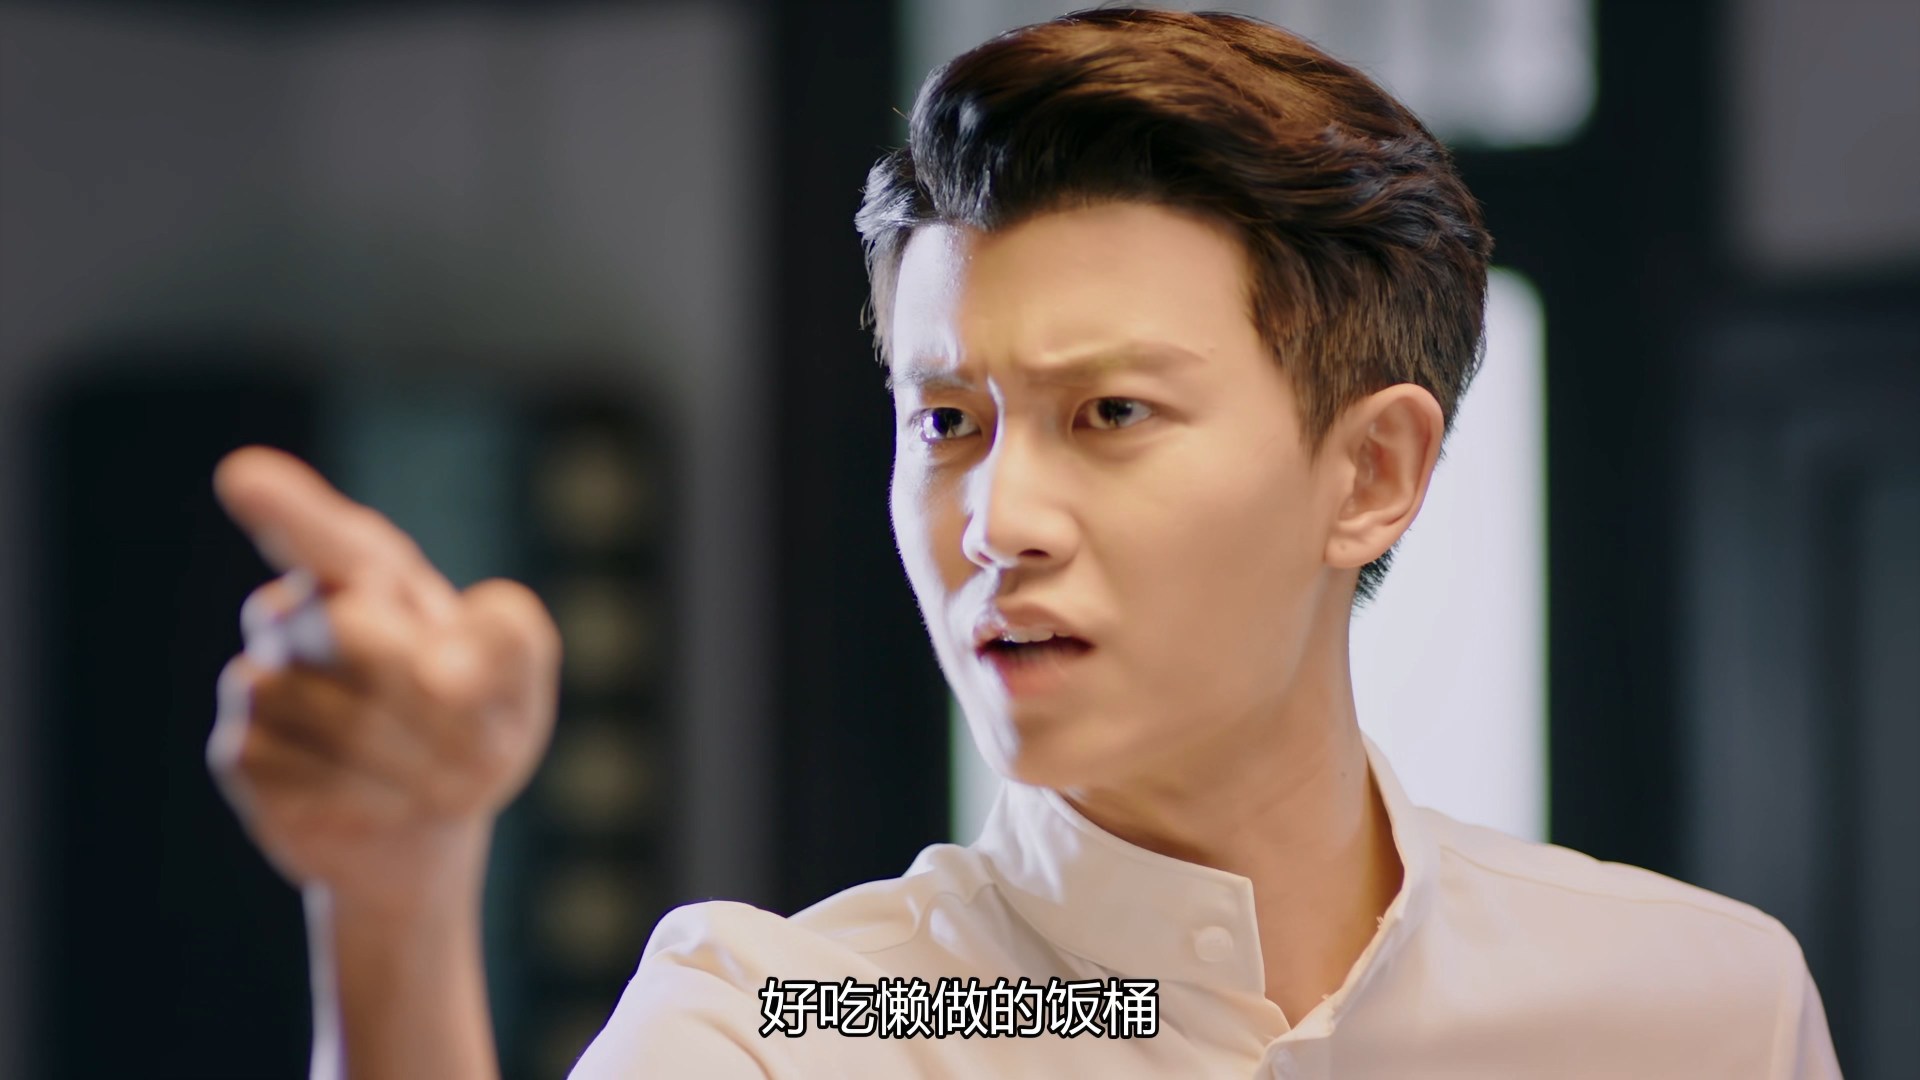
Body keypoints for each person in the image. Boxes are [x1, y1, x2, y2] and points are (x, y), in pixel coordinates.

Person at [208, 9, 1841, 1078]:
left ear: (1372, 473)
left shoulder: (1692, 1007)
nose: (998, 519)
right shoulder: (800, 1021)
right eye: (947, 422)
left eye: (1111, 413)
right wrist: (397, 896)